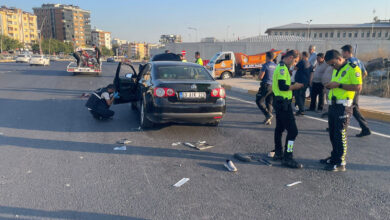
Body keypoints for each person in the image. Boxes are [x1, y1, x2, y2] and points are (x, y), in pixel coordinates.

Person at [322, 50, 362, 172]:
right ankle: (334, 157)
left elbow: (358, 87)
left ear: (339, 59)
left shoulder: (353, 68)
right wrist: (330, 85)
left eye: (333, 63)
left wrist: (338, 85)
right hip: (333, 105)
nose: (332, 66)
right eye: (330, 65)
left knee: (340, 134)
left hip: (343, 106)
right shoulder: (336, 69)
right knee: (333, 134)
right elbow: (336, 83)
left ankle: (341, 162)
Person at [270, 49, 304, 169]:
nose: (295, 64)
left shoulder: (281, 67)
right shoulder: (283, 69)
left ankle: (278, 153)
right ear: (290, 58)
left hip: (279, 102)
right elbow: (283, 86)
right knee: (293, 131)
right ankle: (287, 157)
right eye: (295, 61)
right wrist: (295, 86)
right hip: (283, 104)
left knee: (279, 128)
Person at [341, 45, 371, 137]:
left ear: (346, 52)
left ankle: (365, 128)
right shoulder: (358, 61)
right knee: (352, 107)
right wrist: (359, 81)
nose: (342, 54)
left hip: (351, 89)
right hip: (356, 88)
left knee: (352, 108)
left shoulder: (348, 62)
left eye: (342, 52)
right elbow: (365, 73)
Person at [256, 51, 276, 125]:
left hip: (266, 85)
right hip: (273, 86)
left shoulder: (265, 65)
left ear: (267, 57)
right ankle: (268, 119)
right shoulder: (276, 65)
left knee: (259, 101)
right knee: (269, 103)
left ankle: (268, 115)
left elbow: (260, 77)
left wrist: (259, 75)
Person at [294, 51, 311, 115]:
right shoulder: (309, 63)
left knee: (298, 96)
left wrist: (295, 62)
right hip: (306, 82)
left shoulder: (302, 62)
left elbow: (295, 68)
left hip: (300, 82)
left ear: (304, 55)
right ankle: (302, 109)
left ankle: (301, 110)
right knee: (302, 96)